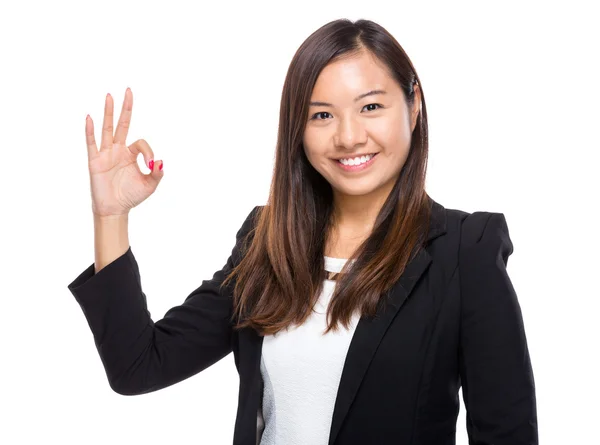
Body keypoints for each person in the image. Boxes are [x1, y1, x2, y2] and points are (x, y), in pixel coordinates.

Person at [67, 18, 538, 445]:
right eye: (322, 115)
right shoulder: (267, 243)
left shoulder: (464, 253)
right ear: (298, 129)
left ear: (413, 106)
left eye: (370, 106)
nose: (349, 136)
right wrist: (111, 216)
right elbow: (138, 366)